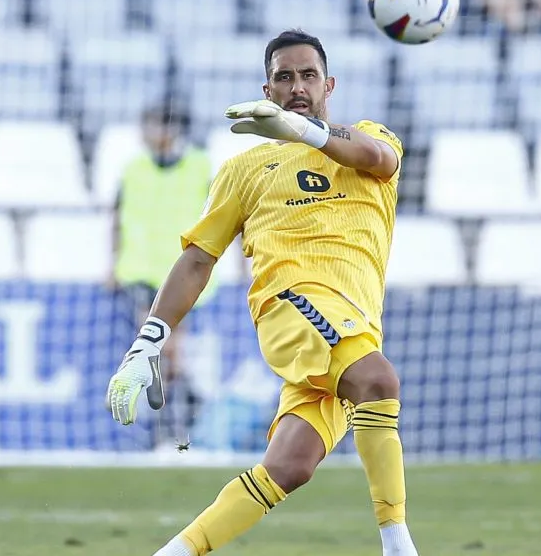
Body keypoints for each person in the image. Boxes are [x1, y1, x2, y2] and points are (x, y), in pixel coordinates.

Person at [105, 29, 418, 556]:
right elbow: (197, 259)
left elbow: (379, 159)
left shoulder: (367, 138)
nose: (298, 86)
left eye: (308, 75)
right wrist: (148, 342)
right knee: (379, 380)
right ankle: (398, 545)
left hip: (353, 329)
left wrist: (306, 131)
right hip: (293, 308)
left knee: (290, 466)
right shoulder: (243, 170)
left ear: (330, 84)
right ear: (267, 91)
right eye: (284, 78)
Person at [110, 98, 214, 446]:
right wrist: (110, 264)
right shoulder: (133, 168)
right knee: (155, 348)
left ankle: (177, 418)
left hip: (181, 272)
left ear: (173, 129)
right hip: (140, 271)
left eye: (154, 125)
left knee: (168, 355)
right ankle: (169, 427)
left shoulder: (200, 167)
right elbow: (116, 216)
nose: (148, 133)